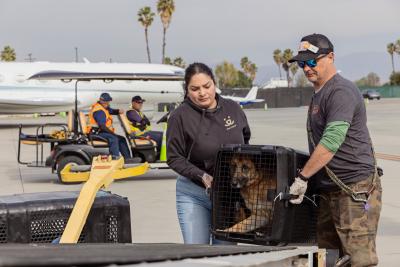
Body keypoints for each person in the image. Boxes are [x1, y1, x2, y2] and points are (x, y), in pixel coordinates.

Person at [288, 34, 382, 267]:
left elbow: (331, 143)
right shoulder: (320, 92)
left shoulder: (340, 92)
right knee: (327, 259)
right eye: (302, 64)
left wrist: (302, 178)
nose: (307, 68)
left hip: (354, 190)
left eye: (312, 62)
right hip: (330, 190)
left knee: (360, 261)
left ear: (330, 57)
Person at [166, 62, 251, 244]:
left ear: (214, 83)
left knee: (226, 255)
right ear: (187, 90)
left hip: (228, 194)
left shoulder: (233, 108)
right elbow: (173, 157)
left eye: (207, 86)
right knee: (198, 253)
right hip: (194, 193)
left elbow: (246, 142)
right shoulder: (179, 116)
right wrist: (201, 176)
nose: (202, 93)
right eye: (195, 89)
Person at [88, 93, 131, 159]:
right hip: (96, 133)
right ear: (101, 101)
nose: (107, 103)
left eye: (108, 102)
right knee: (113, 138)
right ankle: (115, 159)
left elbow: (111, 111)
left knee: (122, 139)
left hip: (101, 132)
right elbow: (102, 126)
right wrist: (112, 133)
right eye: (106, 102)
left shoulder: (104, 107)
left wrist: (118, 111)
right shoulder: (99, 111)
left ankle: (128, 159)